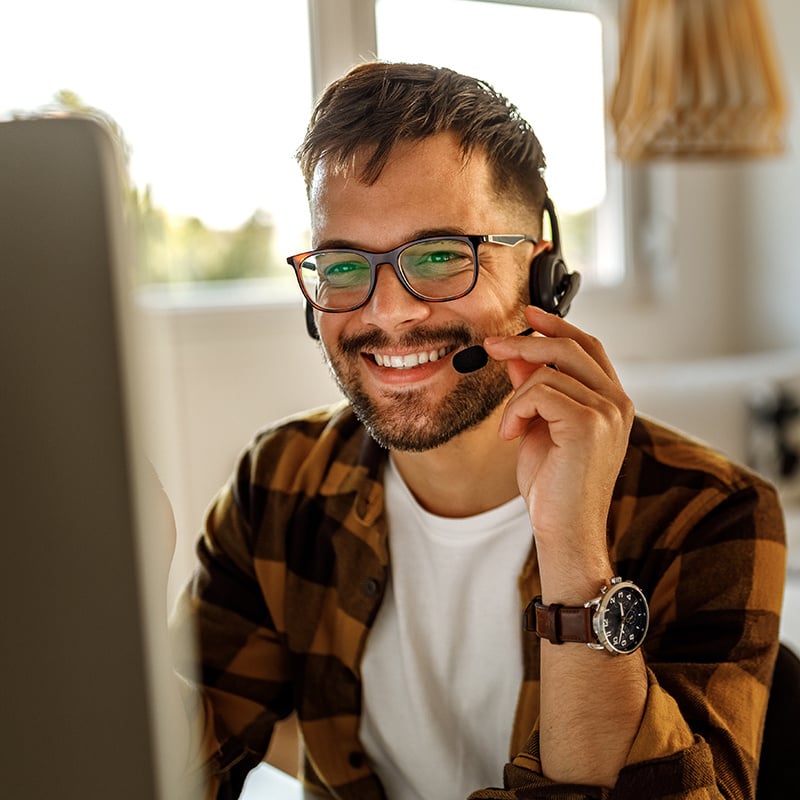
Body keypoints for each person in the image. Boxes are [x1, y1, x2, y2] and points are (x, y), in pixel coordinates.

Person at [172, 61, 787, 800]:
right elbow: (167, 769)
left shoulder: (709, 512)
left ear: (542, 276)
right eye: (342, 266)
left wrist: (575, 554)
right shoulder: (278, 482)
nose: (389, 314)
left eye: (438, 257)